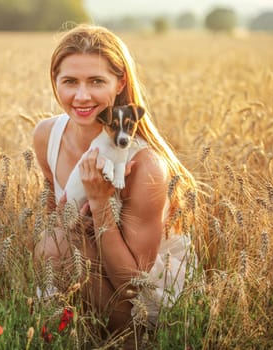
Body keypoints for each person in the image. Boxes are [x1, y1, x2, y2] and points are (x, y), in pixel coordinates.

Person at [33, 24, 197, 344]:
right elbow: (51, 217)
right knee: (53, 242)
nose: (81, 96)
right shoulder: (46, 136)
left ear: (120, 82)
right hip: (77, 269)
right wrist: (71, 232)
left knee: (62, 243)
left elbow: (133, 284)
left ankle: (127, 340)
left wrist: (100, 203)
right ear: (54, 81)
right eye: (69, 82)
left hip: (139, 297)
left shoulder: (145, 164)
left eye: (96, 81)